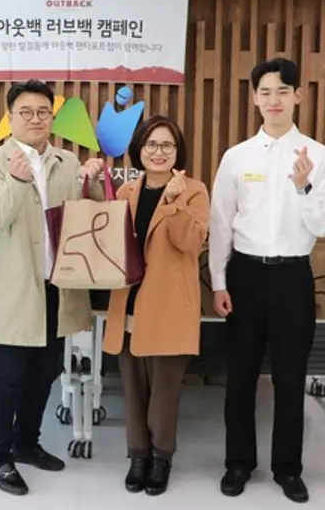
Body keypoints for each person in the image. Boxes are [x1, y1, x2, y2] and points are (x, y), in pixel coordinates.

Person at [208, 57, 325, 503]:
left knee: (290, 378)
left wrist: (304, 187)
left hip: (292, 277)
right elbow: (220, 222)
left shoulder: (319, 156)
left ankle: (288, 468)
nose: (274, 100)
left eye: (283, 91)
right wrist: (219, 281)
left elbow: (324, 223)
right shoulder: (237, 156)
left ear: (298, 96)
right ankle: (238, 463)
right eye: (265, 92)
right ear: (254, 98)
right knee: (240, 376)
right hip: (245, 275)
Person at [0, 79, 104, 496]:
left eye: (43, 112)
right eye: (26, 112)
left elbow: (90, 216)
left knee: (44, 373)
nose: (35, 119)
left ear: (53, 116)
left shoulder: (67, 161)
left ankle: (26, 442)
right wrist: (16, 179)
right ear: (10, 117)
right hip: (14, 291)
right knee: (6, 378)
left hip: (56, 287)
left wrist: (92, 182)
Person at [102, 115, 209, 496]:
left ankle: (161, 457)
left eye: (167, 145)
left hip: (169, 305)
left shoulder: (193, 190)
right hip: (128, 302)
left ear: (178, 152)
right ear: (139, 150)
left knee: (164, 390)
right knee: (132, 388)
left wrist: (176, 203)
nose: (158, 152)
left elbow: (191, 243)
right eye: (151, 144)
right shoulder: (127, 190)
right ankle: (137, 456)